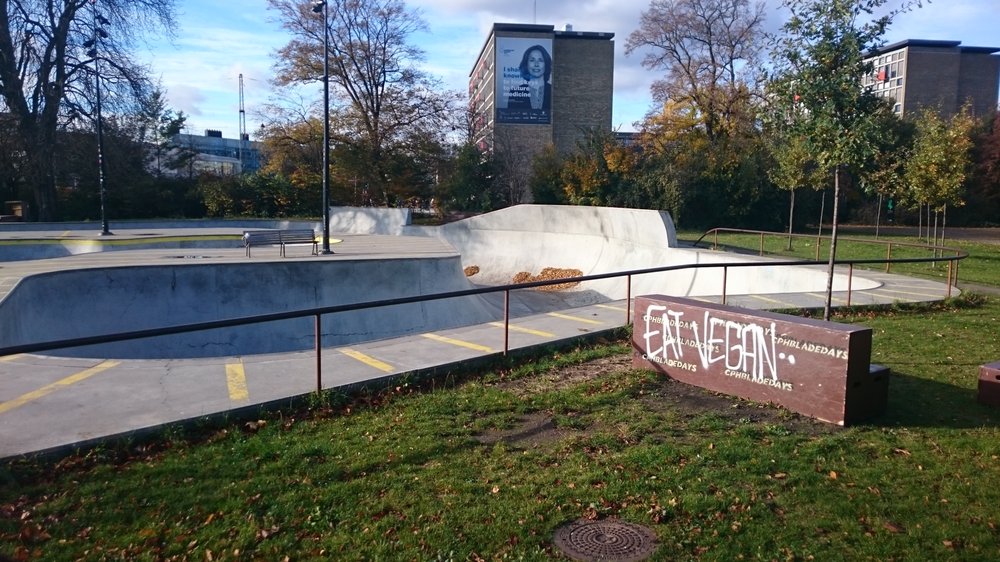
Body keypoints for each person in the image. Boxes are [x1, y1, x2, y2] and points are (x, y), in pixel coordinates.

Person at [505, 45, 551, 112]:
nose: (536, 64)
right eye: (532, 60)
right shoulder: (515, 92)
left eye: (540, 60)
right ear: (526, 64)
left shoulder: (552, 90)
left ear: (546, 63)